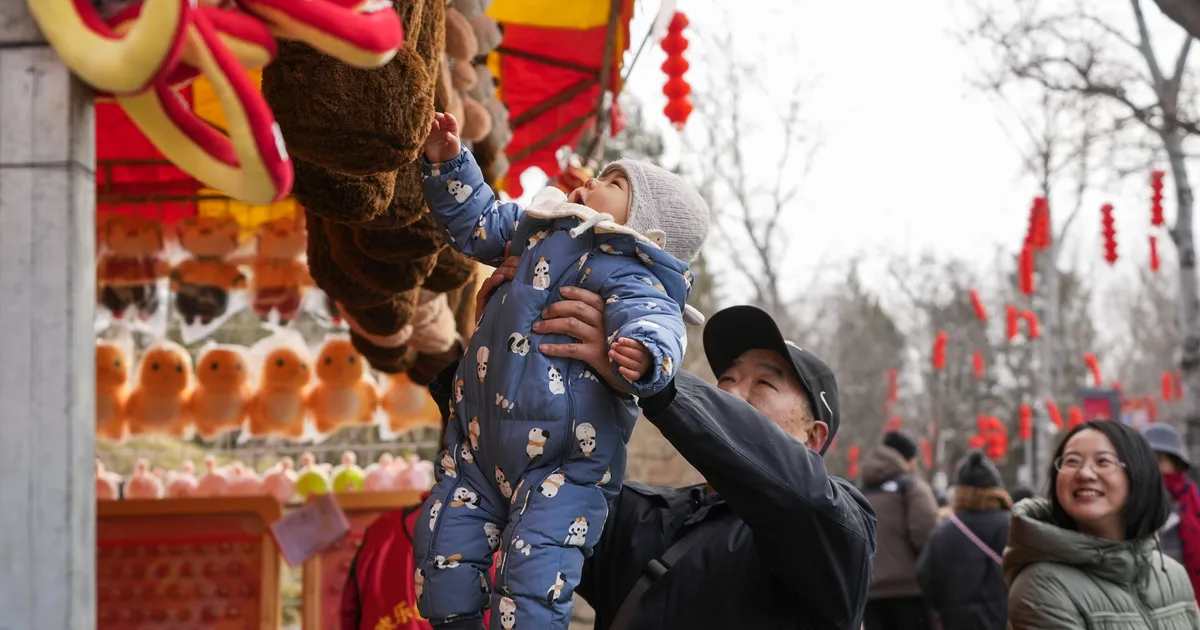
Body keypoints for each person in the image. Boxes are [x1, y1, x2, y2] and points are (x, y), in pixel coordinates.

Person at [430, 280, 876, 628]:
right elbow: (520, 470)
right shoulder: (642, 514)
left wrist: (655, 376)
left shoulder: (841, 529)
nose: (734, 392)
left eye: (764, 383)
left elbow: (804, 496)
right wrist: (497, 344)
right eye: (728, 380)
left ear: (814, 437)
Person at [414, 112, 710, 629]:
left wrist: (643, 352)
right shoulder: (537, 226)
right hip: (478, 447)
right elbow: (479, 221)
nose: (593, 180)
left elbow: (656, 320)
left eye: (615, 184)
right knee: (442, 559)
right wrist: (449, 162)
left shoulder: (632, 270)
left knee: (533, 584)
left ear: (645, 225)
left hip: (564, 464)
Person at [1006, 420, 1200, 628]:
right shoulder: (1042, 586)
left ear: (1139, 475)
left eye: (1103, 461)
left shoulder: (1173, 574)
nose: (1085, 473)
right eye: (1072, 461)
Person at [916, 450, 1011, 630]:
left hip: (957, 620)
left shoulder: (944, 532)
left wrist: (945, 604)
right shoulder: (1014, 526)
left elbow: (924, 575)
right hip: (1006, 619)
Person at [859, 430, 939, 630]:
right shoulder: (911, 487)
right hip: (909, 590)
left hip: (871, 592)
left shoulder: (861, 489)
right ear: (907, 459)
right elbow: (925, 533)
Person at [1142, 423, 1200, 599]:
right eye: (1147, 460)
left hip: (1186, 593)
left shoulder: (1191, 499)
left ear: (1175, 463)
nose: (1154, 468)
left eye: (1159, 460)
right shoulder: (1129, 499)